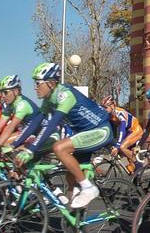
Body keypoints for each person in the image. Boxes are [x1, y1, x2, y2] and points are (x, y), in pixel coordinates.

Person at [12, 63, 113, 208]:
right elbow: (35, 122)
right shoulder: (49, 100)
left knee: (59, 147)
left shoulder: (65, 95)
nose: (35, 87)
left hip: (100, 130)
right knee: (70, 176)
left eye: (38, 83)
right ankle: (74, 219)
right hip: (84, 133)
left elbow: (52, 124)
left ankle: (89, 188)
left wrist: (31, 150)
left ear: (51, 83)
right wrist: (14, 145)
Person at [0, 75, 40, 150]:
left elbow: (10, 127)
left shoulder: (22, 104)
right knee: (2, 147)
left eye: (5, 92)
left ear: (16, 91)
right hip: (27, 132)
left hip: (39, 134)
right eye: (1, 93)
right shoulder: (10, 105)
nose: (3, 96)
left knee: (5, 146)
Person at [101, 96, 143, 173]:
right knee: (124, 154)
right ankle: (136, 173)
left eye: (106, 107)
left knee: (122, 147)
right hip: (129, 132)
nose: (104, 109)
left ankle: (138, 164)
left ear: (112, 105)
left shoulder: (119, 113)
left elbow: (122, 131)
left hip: (135, 130)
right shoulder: (110, 115)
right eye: (103, 107)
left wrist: (117, 146)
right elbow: (111, 131)